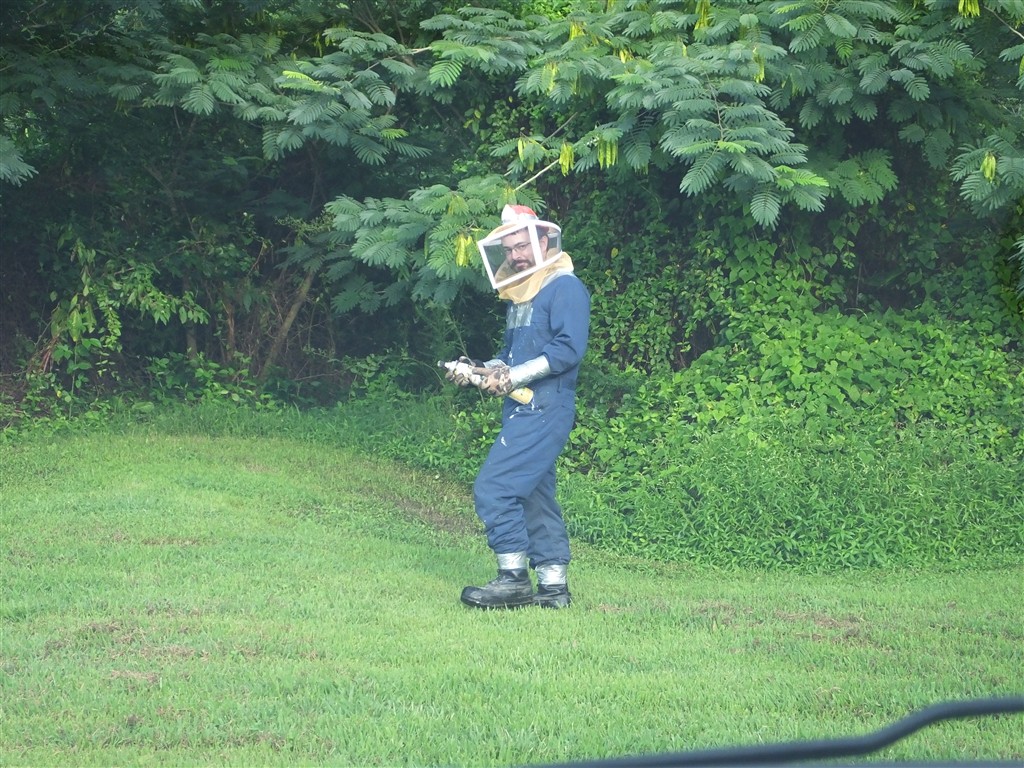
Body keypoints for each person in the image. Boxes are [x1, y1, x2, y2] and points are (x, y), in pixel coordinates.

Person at [444, 204, 590, 609]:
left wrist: (513, 377)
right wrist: (476, 369)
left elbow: (568, 349)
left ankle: (513, 580)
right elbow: (510, 356)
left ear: (544, 241)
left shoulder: (564, 287)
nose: (515, 256)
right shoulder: (521, 294)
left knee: (495, 488)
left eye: (522, 246)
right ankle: (554, 588)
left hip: (546, 405)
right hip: (524, 407)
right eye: (509, 249)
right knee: (534, 495)